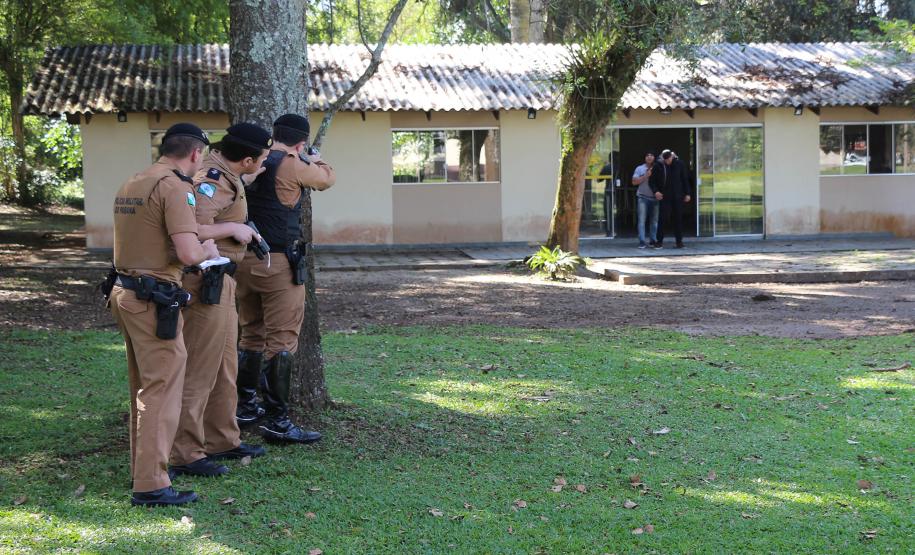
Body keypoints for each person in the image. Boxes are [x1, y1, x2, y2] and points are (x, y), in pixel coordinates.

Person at [104, 123, 219, 506]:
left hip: (125, 292)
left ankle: (146, 471)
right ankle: (151, 484)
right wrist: (208, 248)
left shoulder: (133, 182)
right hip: (154, 299)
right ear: (194, 154)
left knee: (144, 386)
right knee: (161, 389)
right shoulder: (175, 186)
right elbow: (188, 254)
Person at [169, 123, 272, 478]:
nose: (263, 164)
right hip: (204, 282)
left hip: (224, 281)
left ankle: (222, 439)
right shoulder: (212, 177)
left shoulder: (228, 175)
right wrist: (233, 230)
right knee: (200, 370)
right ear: (247, 159)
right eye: (261, 159)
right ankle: (185, 452)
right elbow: (190, 225)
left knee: (225, 366)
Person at [235, 113, 336, 444]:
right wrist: (317, 160)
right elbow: (325, 180)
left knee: (250, 334)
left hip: (245, 260)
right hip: (278, 262)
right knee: (281, 342)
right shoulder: (294, 162)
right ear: (301, 142)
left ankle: (246, 406)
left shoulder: (257, 159)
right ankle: (278, 420)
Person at [657, 149, 692, 249]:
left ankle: (679, 242)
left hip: (678, 196)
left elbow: (684, 179)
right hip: (665, 196)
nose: (667, 161)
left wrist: (687, 193)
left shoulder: (680, 164)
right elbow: (655, 179)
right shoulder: (660, 165)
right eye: (665, 159)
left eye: (669, 158)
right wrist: (656, 191)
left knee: (678, 219)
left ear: (672, 157)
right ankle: (659, 241)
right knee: (663, 219)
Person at [631, 151, 662, 248]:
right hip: (643, 197)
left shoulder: (658, 167)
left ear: (654, 157)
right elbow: (634, 182)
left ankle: (653, 240)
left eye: (651, 155)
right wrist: (645, 176)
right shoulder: (640, 168)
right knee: (641, 220)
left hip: (655, 198)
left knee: (654, 220)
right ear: (644, 157)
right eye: (647, 155)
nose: (649, 157)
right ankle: (642, 241)